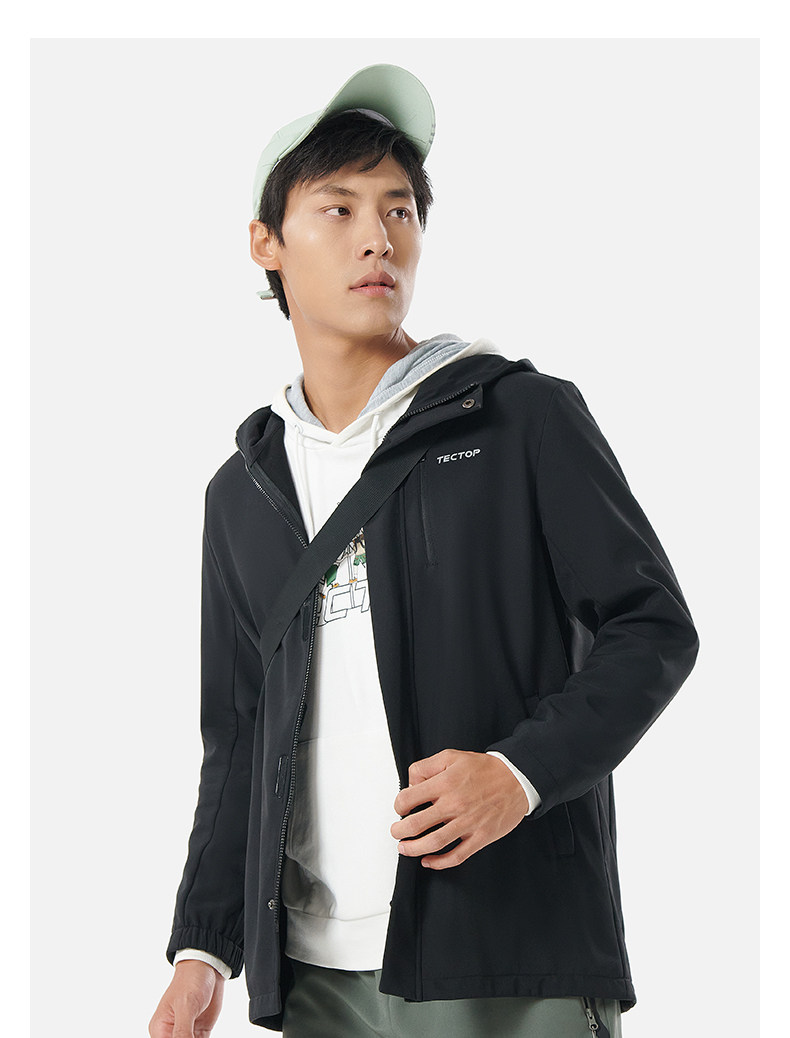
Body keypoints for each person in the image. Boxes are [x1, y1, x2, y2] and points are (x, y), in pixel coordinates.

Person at [149, 64, 699, 1038]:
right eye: (338, 208)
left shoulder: (517, 417)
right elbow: (235, 735)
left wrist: (520, 774)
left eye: (399, 209)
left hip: (507, 954)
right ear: (266, 243)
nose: (378, 237)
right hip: (317, 978)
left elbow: (652, 628)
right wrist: (203, 951)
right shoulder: (242, 492)